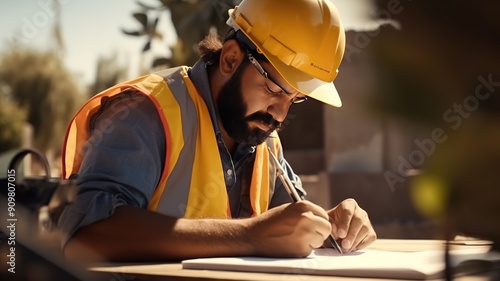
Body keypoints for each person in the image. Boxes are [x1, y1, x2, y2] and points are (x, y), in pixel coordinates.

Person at [59, 0, 377, 261]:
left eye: (296, 98)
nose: (281, 114)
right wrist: (250, 237)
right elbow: (88, 234)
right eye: (273, 89)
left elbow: (287, 227)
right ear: (230, 58)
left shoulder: (264, 139)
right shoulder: (144, 113)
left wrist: (330, 226)